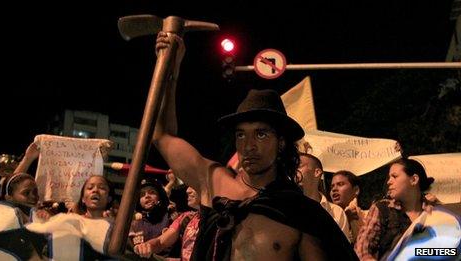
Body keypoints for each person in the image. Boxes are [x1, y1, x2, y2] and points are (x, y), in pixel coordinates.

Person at [152, 32, 357, 260]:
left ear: (281, 143)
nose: (248, 146)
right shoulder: (213, 180)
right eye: (241, 135)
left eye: (260, 134)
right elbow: (162, 135)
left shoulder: (301, 214)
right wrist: (170, 68)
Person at [354, 158, 436, 260]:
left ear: (414, 179)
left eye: (394, 176)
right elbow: (361, 249)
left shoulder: (436, 212)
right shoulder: (382, 210)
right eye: (389, 177)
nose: (389, 182)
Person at [134, 186, 201, 261]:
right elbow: (160, 242)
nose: (188, 191)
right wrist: (147, 246)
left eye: (152, 193)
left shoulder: (172, 215)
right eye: (142, 195)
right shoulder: (185, 218)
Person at [297, 153, 352, 242]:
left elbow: (341, 252)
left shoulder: (336, 213)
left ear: (317, 172)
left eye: (299, 165)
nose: (294, 171)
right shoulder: (287, 207)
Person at [129, 177, 171, 252]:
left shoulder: (170, 216)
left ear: (160, 197)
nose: (147, 196)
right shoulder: (133, 222)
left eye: (152, 192)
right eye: (142, 194)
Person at [330, 170, 367, 243]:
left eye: (340, 184)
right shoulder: (327, 217)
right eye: (332, 186)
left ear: (356, 190)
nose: (334, 189)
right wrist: (344, 219)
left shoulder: (369, 217)